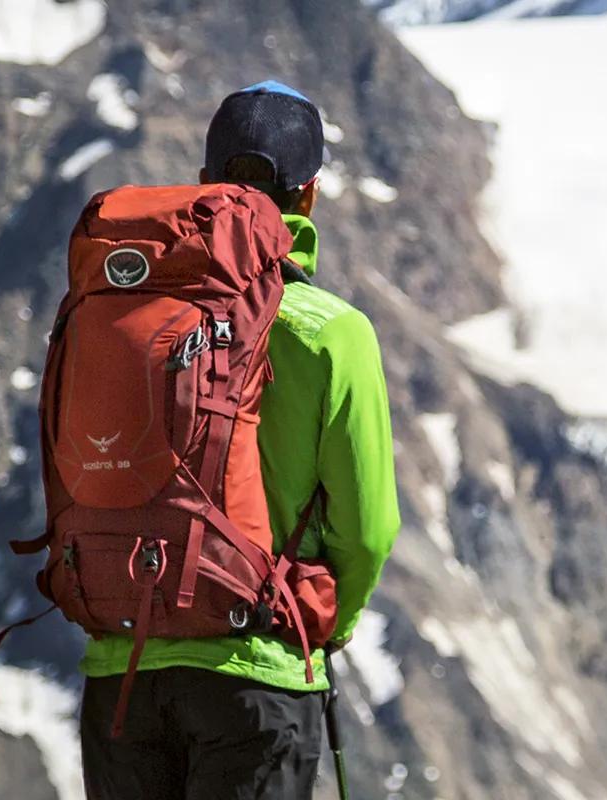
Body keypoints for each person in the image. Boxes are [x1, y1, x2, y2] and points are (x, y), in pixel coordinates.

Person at [78, 80, 401, 800]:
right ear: (310, 197)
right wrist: (326, 622)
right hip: (257, 674)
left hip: (121, 675)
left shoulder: (131, 313)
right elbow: (370, 530)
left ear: (204, 184)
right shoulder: (332, 335)